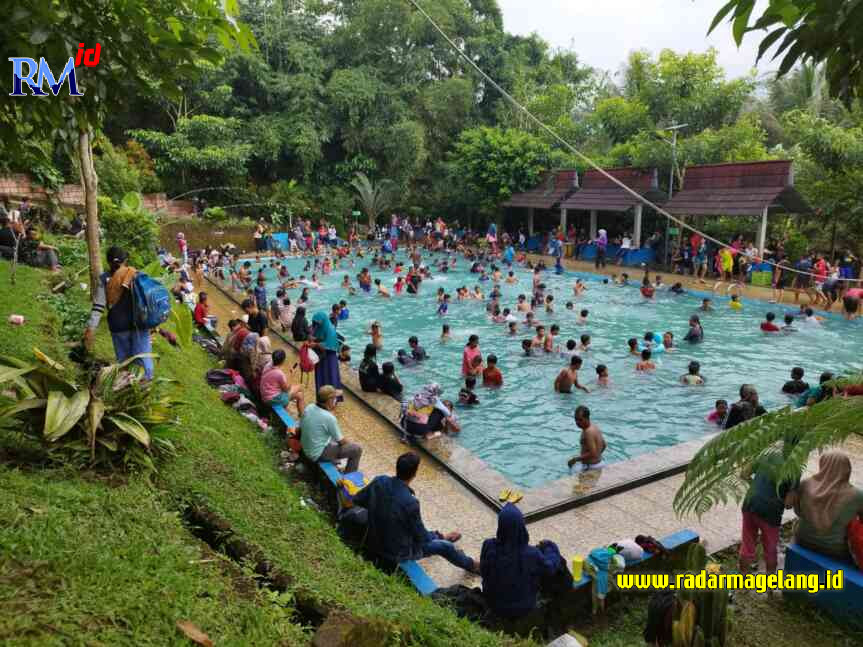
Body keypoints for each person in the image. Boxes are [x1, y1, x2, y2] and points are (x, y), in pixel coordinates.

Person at [353, 452, 479, 573]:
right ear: (414, 474)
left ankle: (440, 536)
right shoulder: (410, 503)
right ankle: (472, 565)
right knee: (445, 547)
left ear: (397, 467)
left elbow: (358, 499)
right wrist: (435, 538)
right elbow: (422, 538)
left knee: (417, 528)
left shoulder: (379, 481)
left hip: (374, 537)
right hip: (396, 551)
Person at [480, 503, 563, 621]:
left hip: (492, 603)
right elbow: (550, 567)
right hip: (523, 607)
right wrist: (550, 547)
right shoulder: (531, 554)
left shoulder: (488, 545)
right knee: (552, 567)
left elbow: (484, 572)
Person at [84, 246, 154, 379]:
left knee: (124, 365)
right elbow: (148, 301)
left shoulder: (104, 279)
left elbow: (98, 307)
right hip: (139, 325)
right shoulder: (135, 274)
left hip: (118, 327)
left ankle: (126, 392)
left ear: (108, 262)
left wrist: (91, 328)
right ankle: (145, 390)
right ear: (125, 260)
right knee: (144, 362)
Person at [793, 452, 863, 562]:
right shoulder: (857, 495)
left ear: (822, 465)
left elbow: (797, 511)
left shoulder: (805, 484)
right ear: (847, 469)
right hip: (834, 550)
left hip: (802, 539)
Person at [739, 451, 798, 575]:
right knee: (770, 550)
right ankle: (769, 589)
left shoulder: (768, 454)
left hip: (750, 503)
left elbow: (744, 474)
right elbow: (788, 504)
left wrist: (756, 489)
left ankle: (742, 584)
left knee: (747, 546)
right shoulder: (795, 468)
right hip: (770, 513)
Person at [300, 385, 362, 472]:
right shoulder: (329, 417)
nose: (335, 401)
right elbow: (342, 441)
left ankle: (335, 461)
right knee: (356, 449)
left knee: (331, 438)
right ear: (329, 400)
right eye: (335, 398)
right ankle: (349, 477)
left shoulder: (309, 407)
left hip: (306, 448)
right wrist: (350, 444)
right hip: (317, 454)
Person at [310, 312, 342, 395]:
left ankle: (333, 398)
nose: (316, 325)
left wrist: (316, 344)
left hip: (329, 358)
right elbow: (315, 337)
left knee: (331, 377)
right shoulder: (319, 327)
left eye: (318, 323)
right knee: (321, 377)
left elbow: (329, 345)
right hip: (320, 357)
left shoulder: (330, 330)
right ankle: (321, 396)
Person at [567, 406, 606, 470]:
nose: (577, 422)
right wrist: (597, 457)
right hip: (599, 464)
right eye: (576, 419)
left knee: (570, 471)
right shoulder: (595, 427)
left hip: (591, 467)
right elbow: (604, 445)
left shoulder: (588, 432)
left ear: (587, 418)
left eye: (580, 420)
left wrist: (575, 459)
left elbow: (592, 453)